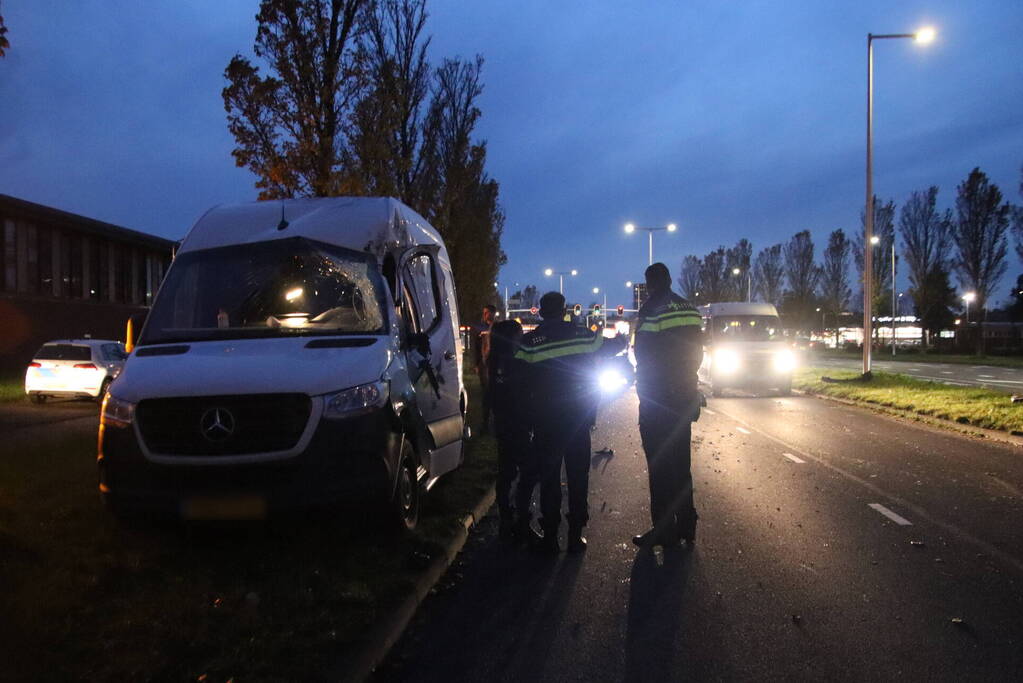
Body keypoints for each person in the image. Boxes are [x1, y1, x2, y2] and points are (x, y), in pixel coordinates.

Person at [516, 292, 622, 553]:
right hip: (578, 419)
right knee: (578, 476)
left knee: (550, 478)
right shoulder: (583, 335)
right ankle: (575, 536)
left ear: (541, 312)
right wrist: (620, 337)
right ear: (564, 310)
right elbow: (612, 347)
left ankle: (550, 537)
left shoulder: (530, 343)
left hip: (546, 421)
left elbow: (518, 381)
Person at [631, 262, 704, 549]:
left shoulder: (650, 309)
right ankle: (687, 524)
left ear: (649, 284)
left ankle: (663, 530)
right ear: (670, 280)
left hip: (658, 400)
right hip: (684, 397)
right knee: (681, 464)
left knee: (660, 466)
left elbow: (644, 356)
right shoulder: (689, 308)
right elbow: (697, 352)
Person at [488, 319, 540, 542]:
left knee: (506, 472)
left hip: (503, 424)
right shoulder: (517, 361)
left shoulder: (494, 360)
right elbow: (525, 393)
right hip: (518, 424)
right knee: (529, 471)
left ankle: (506, 519)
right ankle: (521, 521)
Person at [474, 304, 497, 432]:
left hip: (493, 363)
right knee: (486, 393)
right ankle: (485, 423)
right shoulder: (480, 328)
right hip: (485, 364)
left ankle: (490, 422)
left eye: (487, 312)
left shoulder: (497, 328)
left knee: (492, 393)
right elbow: (476, 348)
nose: (485, 315)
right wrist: (477, 363)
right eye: (485, 312)